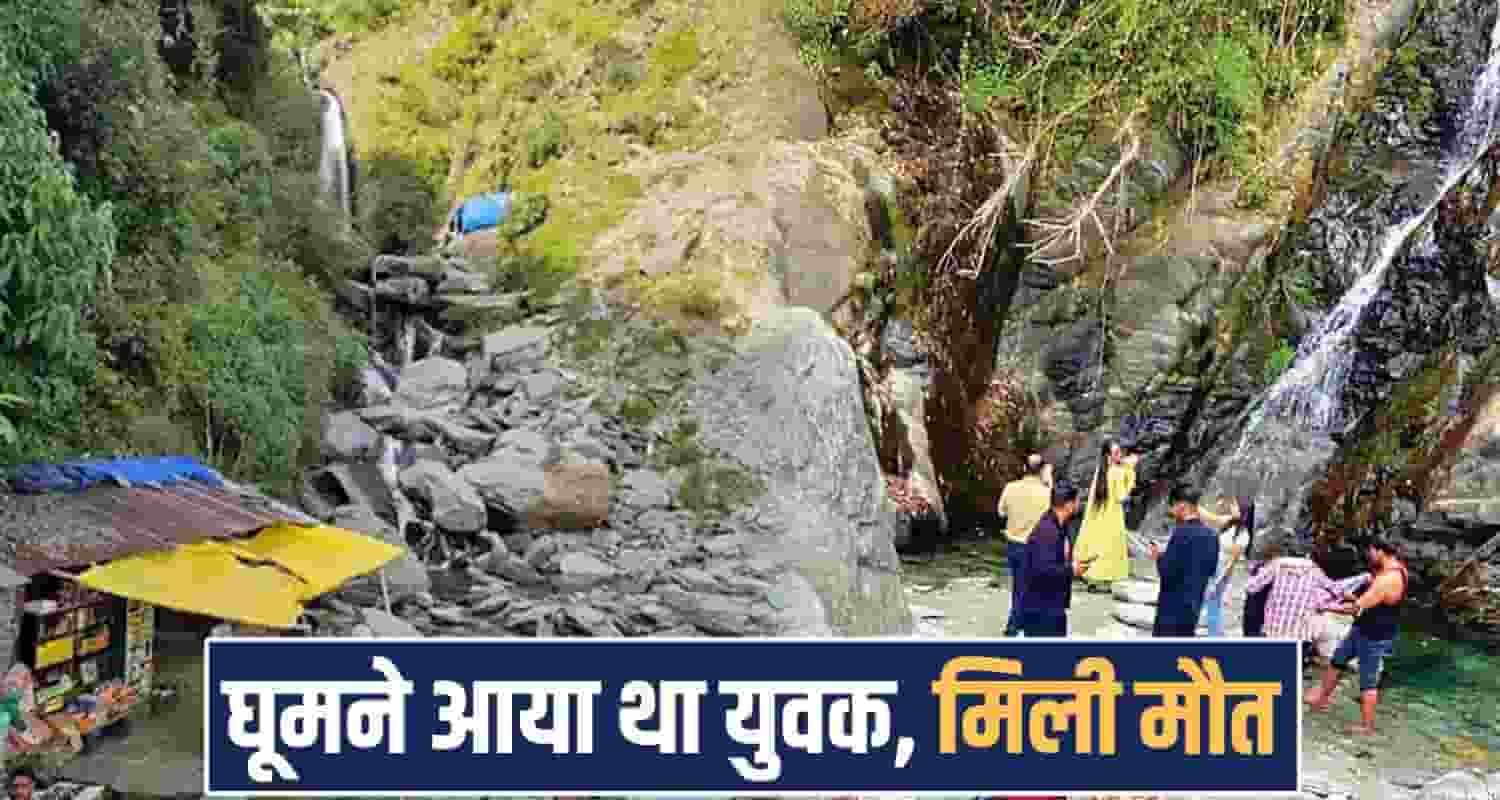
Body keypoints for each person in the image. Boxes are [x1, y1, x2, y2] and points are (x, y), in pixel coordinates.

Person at [1305, 536, 1409, 736]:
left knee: (1368, 681)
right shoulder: (1395, 569)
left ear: (1379, 551)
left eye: (1371, 552)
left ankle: (1367, 727)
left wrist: (1326, 606)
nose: (1369, 556)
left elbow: (1356, 608)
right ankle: (1322, 699)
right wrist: (1350, 596)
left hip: (1374, 635)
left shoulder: (1387, 579)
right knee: (1337, 660)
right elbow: (1371, 601)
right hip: (1362, 628)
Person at [1018, 481, 1093, 637]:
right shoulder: (1048, 531)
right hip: (1041, 608)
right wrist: (1072, 569)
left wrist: (1074, 562)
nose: (1079, 504)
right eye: (1077, 501)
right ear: (1068, 504)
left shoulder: (1059, 524)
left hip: (1052, 603)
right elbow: (1042, 569)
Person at [1148, 484, 1219, 637]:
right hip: (1194, 607)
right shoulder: (1212, 535)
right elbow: (1211, 570)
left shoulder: (1180, 533)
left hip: (1172, 609)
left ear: (1182, 505)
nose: (1171, 511)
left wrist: (1159, 557)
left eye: (1172, 506)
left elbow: (1167, 572)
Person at [997, 454, 1053, 636]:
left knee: (1018, 586)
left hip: (1014, 544)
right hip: (1037, 547)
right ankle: (1018, 626)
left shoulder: (1010, 488)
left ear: (1023, 468)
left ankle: (1017, 624)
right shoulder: (1046, 493)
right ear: (1042, 471)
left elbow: (1001, 512)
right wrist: (1049, 481)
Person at [1074, 440, 1138, 590]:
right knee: (1111, 549)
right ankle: (1108, 579)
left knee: (1098, 546)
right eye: (1116, 453)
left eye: (1120, 452)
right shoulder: (1117, 471)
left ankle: (1092, 578)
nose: (1120, 455)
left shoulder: (1100, 470)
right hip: (1113, 516)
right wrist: (1130, 472)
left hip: (1098, 515)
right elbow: (1122, 496)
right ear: (1109, 455)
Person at [1197, 497, 1250, 637]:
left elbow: (1232, 562)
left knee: (1212, 603)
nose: (1231, 508)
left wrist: (1219, 580)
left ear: (1242, 511)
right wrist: (1193, 503)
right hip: (1211, 567)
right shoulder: (1228, 521)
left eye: (1234, 506)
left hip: (1221, 572)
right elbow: (1210, 518)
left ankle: (1214, 636)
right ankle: (1213, 634)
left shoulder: (1243, 535)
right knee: (1206, 601)